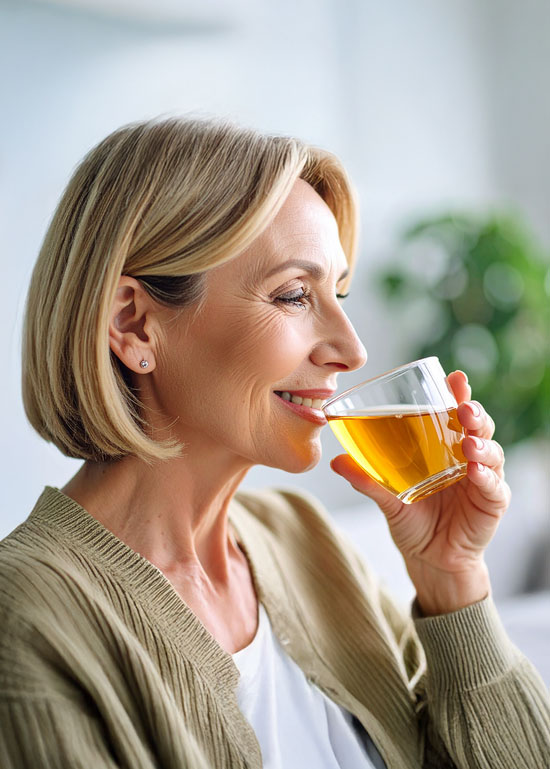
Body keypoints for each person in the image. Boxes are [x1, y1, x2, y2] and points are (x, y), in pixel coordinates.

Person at [0, 117, 548, 769]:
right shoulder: (30, 621)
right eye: (294, 295)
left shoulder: (302, 537)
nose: (352, 348)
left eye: (337, 293)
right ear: (134, 324)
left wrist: (452, 576)